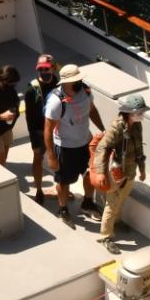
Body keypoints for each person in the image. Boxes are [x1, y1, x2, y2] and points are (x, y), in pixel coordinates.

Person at [43, 64, 104, 227]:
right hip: (65, 148)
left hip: (86, 143)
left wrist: (103, 129)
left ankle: (87, 203)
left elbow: (92, 110)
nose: (80, 81)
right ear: (66, 82)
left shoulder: (86, 91)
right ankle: (63, 210)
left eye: (79, 78)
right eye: (76, 80)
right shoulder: (56, 102)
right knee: (64, 181)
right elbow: (47, 130)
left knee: (90, 175)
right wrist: (51, 156)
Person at [92, 93, 149, 255]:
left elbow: (139, 149)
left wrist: (142, 169)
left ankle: (116, 222)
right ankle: (106, 236)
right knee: (113, 203)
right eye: (139, 112)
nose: (142, 115)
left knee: (122, 198)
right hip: (116, 172)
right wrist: (101, 172)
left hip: (130, 171)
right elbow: (102, 148)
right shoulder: (117, 127)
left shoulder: (136, 125)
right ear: (129, 112)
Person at [24, 54, 59, 204]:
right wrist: (34, 137)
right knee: (38, 158)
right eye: (41, 69)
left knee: (60, 159)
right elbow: (29, 117)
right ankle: (39, 190)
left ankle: (62, 187)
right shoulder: (31, 90)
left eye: (46, 68)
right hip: (39, 132)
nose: (44, 72)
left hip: (57, 129)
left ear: (53, 68)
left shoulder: (58, 83)